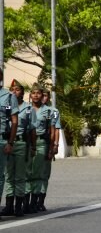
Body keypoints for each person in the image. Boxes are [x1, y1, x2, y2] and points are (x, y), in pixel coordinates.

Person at [1, 80, 34, 218]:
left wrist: (32, 146)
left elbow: (32, 129)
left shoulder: (28, 108)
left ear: (22, 92)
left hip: (20, 143)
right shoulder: (9, 103)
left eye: (18, 89)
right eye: (13, 89)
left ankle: (19, 206)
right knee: (8, 175)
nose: (15, 91)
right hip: (8, 140)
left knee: (20, 176)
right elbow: (8, 117)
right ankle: (9, 206)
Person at [26, 83, 54, 213]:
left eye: (38, 93)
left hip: (41, 142)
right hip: (27, 143)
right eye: (33, 93)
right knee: (25, 173)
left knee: (37, 174)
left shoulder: (50, 111)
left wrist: (52, 148)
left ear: (43, 96)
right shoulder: (25, 108)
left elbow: (53, 130)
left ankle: (35, 202)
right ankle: (24, 202)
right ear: (30, 95)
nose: (36, 95)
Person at [0, 72, 20, 220]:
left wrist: (10, 142)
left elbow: (14, 121)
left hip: (1, 141)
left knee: (0, 177)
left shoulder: (8, 97)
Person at [39, 87, 61, 211]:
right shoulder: (30, 109)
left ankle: (41, 200)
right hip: (33, 143)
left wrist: (55, 145)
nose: (43, 98)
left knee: (44, 173)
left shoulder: (53, 111)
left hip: (47, 143)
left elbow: (56, 129)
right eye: (42, 95)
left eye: (46, 96)